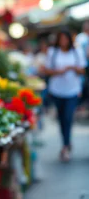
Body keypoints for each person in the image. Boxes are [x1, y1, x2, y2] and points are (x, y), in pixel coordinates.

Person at [44, 30, 87, 162]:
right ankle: (66, 142)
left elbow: (83, 70)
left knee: (68, 117)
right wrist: (58, 72)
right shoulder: (53, 52)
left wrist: (72, 68)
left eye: (65, 39)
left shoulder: (77, 52)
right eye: (61, 39)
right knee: (62, 119)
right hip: (57, 90)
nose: (63, 42)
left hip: (72, 90)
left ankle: (66, 146)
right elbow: (47, 70)